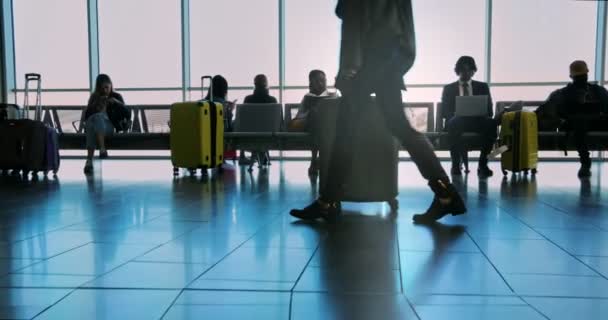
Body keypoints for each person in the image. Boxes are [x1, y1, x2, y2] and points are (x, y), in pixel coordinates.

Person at [290, 0, 466, 224]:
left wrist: (349, 67)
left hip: (366, 63)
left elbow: (354, 19)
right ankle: (445, 193)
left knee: (347, 132)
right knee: (398, 126)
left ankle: (328, 202)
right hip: (388, 60)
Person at [542, 60, 608, 177]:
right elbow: (549, 110)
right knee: (579, 121)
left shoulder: (598, 91)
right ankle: (585, 163)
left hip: (590, 123)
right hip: (577, 124)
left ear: (571, 76)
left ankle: (585, 163)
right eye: (580, 76)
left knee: (580, 121)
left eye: (582, 76)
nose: (582, 79)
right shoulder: (562, 94)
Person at [441, 56, 496, 178]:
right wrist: (454, 115)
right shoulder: (449, 89)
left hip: (477, 121)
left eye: (469, 70)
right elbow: (445, 111)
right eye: (463, 70)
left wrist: (483, 114)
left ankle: (483, 164)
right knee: (455, 122)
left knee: (491, 124)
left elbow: (489, 109)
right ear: (458, 71)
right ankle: (455, 165)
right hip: (457, 121)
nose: (466, 73)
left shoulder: (482, 87)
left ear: (473, 71)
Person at [83, 74, 127, 174]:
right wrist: (97, 106)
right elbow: (87, 117)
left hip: (109, 127)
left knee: (93, 122)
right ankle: (102, 150)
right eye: (102, 88)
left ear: (111, 85)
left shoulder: (116, 96)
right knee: (93, 121)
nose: (105, 90)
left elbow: (127, 113)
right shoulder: (94, 97)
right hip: (94, 126)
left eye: (107, 87)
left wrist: (117, 103)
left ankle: (89, 160)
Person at [298, 70, 335, 175]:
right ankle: (318, 159)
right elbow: (300, 116)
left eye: (323, 80)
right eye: (317, 81)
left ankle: (314, 159)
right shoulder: (307, 98)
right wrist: (310, 112)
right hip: (312, 126)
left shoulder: (333, 95)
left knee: (321, 120)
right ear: (311, 83)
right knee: (315, 116)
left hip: (328, 126)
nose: (321, 83)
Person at [241, 74, 278, 165]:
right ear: (266, 84)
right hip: (268, 136)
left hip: (250, 135)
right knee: (263, 129)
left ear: (255, 84)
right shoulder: (272, 100)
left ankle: (243, 156)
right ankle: (262, 154)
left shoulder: (248, 99)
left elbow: (243, 119)